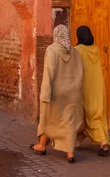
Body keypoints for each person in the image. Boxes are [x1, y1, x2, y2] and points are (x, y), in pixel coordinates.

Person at [30, 24, 84, 164]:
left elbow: (49, 72)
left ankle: (42, 146)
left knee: (47, 118)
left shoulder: (52, 50)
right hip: (73, 93)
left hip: (56, 92)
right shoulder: (75, 52)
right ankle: (70, 154)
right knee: (69, 122)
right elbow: (80, 72)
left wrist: (45, 94)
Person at [74, 25, 110, 156]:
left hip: (85, 88)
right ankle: (77, 141)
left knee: (90, 115)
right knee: (96, 114)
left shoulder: (77, 50)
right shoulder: (96, 49)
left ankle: (103, 142)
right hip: (98, 88)